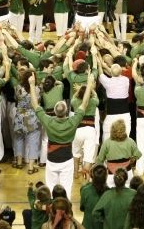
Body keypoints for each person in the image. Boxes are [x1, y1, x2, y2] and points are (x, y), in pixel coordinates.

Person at [33, 72, 95, 200]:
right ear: (66, 111)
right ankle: (67, 208)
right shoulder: (72, 121)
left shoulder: (48, 121)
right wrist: (89, 84)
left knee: (51, 190)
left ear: (55, 112)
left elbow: (35, 105)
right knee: (67, 190)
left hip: (52, 160)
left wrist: (31, 85)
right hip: (67, 160)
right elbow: (84, 104)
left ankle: (52, 208)